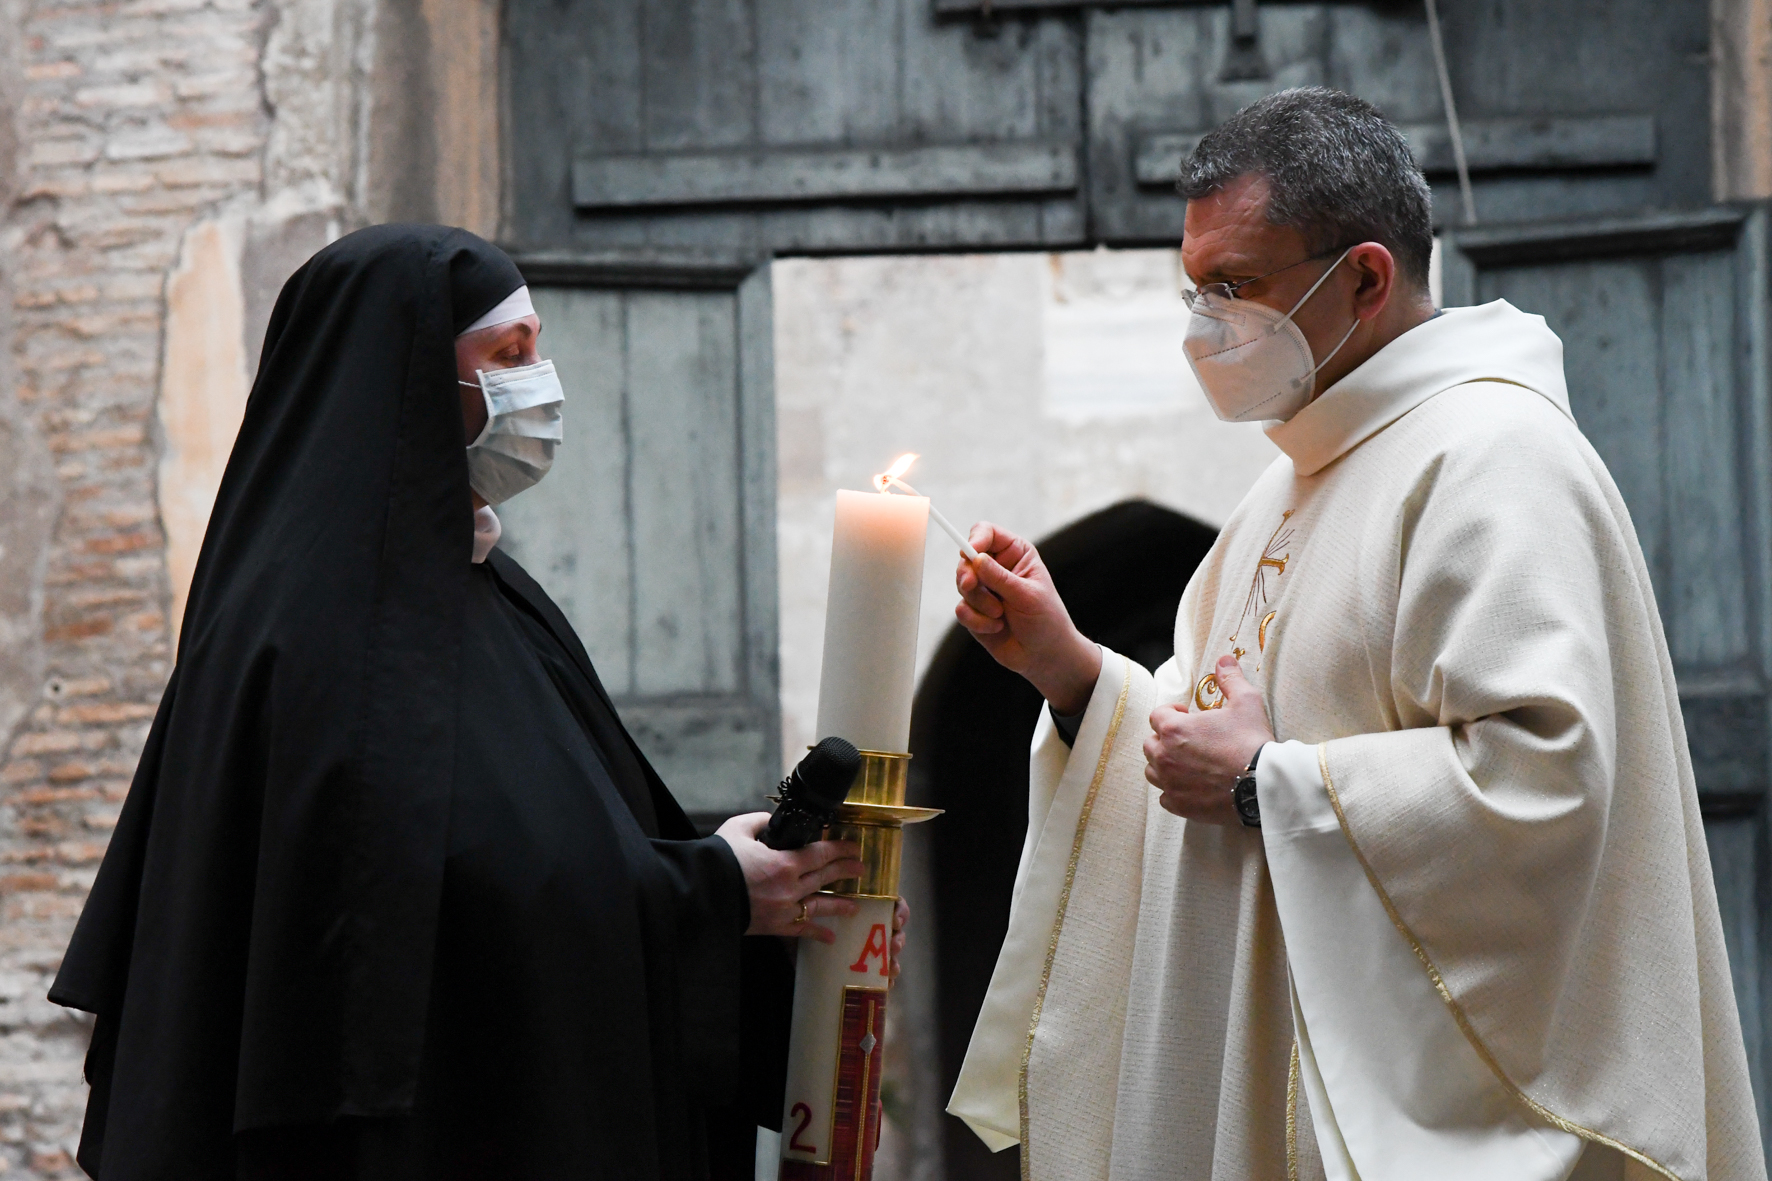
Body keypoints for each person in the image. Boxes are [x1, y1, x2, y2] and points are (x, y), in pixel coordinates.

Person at [945, 89, 1764, 1181]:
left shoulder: (1491, 457)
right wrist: (1072, 670)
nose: (1203, 328)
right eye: (1193, 290)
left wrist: (1266, 788)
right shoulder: (1291, 484)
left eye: (1233, 287)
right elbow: (1208, 737)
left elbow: (1543, 782)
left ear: (1364, 279)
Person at [48, 223, 902, 1180]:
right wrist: (706, 890)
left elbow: (555, 838)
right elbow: (404, 928)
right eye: (509, 355)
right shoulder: (315, 633)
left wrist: (740, 885)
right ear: (408, 378)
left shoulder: (488, 590)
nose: (542, 383)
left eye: (536, 346)